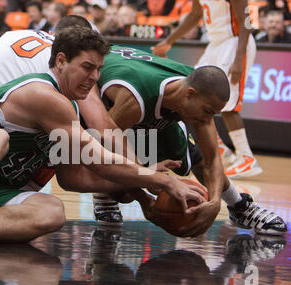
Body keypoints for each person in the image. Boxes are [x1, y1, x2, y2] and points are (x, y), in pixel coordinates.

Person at [0, 28, 205, 260]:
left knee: (52, 212)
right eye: (86, 67)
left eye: (98, 70)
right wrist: (158, 178)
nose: (93, 78)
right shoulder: (45, 94)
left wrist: (143, 187)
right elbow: (98, 158)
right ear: (61, 60)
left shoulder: (71, 110)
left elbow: (74, 177)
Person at [83, 44, 287, 237]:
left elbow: (212, 159)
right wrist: (146, 199)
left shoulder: (200, 88)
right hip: (114, 109)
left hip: (155, 102)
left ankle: (240, 207)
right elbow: (99, 149)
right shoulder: (133, 100)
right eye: (207, 112)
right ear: (189, 94)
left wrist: (215, 201)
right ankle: (103, 192)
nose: (207, 119)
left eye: (213, 114)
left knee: (196, 158)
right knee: (123, 189)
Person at [152, 0, 263, 179]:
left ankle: (246, 157)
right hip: (215, 45)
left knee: (227, 102)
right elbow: (195, 15)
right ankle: (220, 147)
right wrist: (168, 41)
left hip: (234, 44)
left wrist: (238, 59)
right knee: (195, 89)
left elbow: (247, 20)